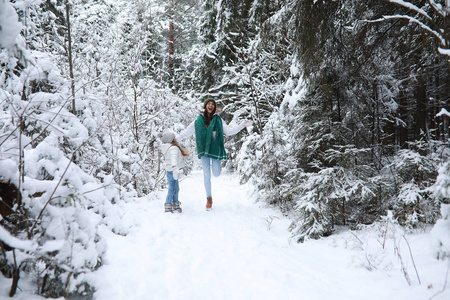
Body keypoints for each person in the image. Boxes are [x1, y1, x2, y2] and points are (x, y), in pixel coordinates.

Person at [176, 99, 252, 211]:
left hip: (215, 149)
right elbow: (187, 131)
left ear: (214, 108)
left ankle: (217, 167)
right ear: (205, 106)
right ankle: (209, 198)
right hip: (204, 150)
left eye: (212, 104)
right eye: (208, 104)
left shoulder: (218, 120)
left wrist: (242, 125)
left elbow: (229, 131)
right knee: (206, 176)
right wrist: (175, 139)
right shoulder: (198, 120)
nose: (210, 105)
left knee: (216, 174)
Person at [161, 131, 190, 213]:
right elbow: (173, 159)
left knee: (175, 188)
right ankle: (168, 205)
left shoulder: (169, 148)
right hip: (173, 171)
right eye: (174, 138)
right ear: (171, 140)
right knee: (172, 189)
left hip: (171, 171)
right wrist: (174, 168)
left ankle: (175, 204)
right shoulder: (173, 148)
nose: (176, 139)